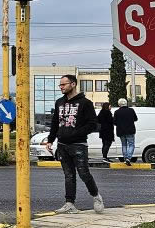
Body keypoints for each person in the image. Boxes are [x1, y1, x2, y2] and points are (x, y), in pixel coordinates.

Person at [43, 74, 104, 214]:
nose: (61, 87)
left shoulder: (85, 103)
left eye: (64, 84)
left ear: (73, 84)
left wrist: (76, 133)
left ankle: (96, 196)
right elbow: (54, 123)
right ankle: (70, 203)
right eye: (60, 85)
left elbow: (93, 124)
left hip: (78, 144)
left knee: (84, 173)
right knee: (68, 175)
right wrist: (51, 140)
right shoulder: (59, 102)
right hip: (62, 145)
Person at [113, 98, 138, 166]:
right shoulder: (131, 110)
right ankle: (128, 158)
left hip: (121, 131)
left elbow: (114, 122)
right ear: (126, 103)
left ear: (119, 104)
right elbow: (136, 119)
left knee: (124, 145)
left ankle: (125, 158)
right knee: (131, 145)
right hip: (130, 130)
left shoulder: (117, 112)